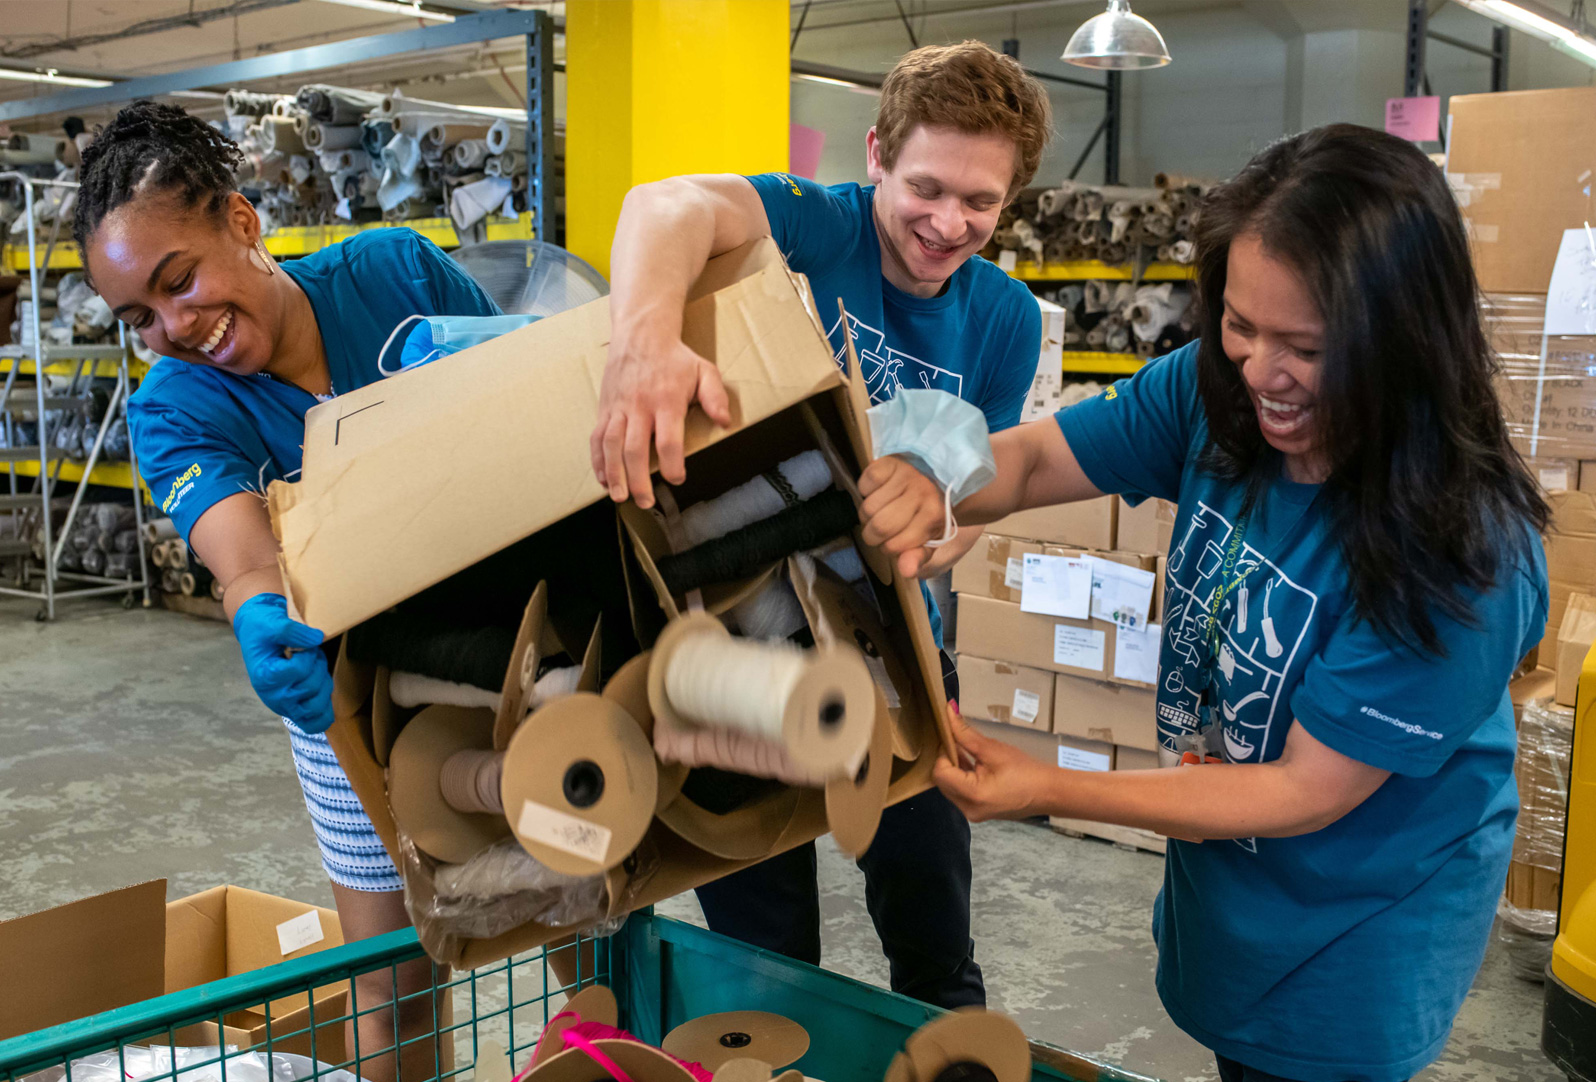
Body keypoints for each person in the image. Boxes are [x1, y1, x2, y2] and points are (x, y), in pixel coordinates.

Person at [861, 124, 1549, 1082]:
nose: (1261, 372)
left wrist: (1047, 784)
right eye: (1241, 324)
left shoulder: (1463, 552)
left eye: (1305, 346)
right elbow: (1036, 459)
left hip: (1356, 931)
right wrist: (920, 478)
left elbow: (1305, 790)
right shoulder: (1213, 392)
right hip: (1235, 881)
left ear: (1402, 336)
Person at [590, 40, 1052, 1008]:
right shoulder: (818, 224)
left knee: (930, 900)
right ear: (876, 154)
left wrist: (931, 528)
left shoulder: (1005, 316)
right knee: (765, 942)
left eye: (981, 202)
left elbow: (979, 489)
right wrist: (644, 347)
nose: (948, 222)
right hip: (737, 630)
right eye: (926, 186)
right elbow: (662, 206)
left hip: (894, 637)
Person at [74, 101, 501, 1082]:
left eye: (178, 281)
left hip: (508, 651)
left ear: (242, 220)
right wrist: (259, 607)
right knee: (395, 976)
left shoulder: (395, 275)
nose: (174, 327)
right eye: (138, 316)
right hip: (343, 692)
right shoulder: (173, 403)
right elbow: (246, 552)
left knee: (579, 914)